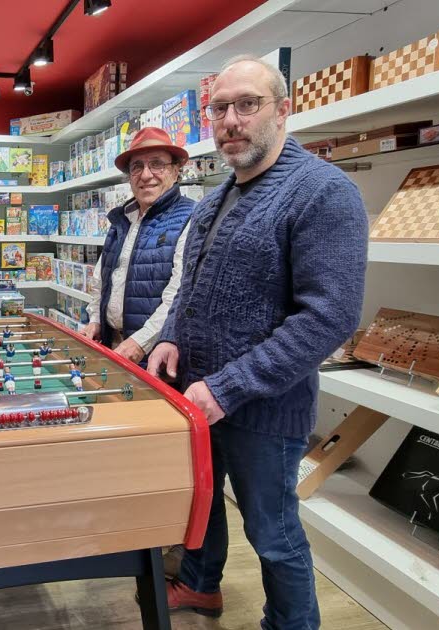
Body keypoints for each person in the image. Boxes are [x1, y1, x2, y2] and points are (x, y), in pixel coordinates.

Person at [147, 56, 367, 629]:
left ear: (283, 110)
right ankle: (201, 585)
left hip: (265, 411)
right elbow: (190, 286)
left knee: (273, 534)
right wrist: (171, 337)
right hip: (200, 397)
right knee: (202, 505)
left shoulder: (324, 193)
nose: (231, 120)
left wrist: (229, 387)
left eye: (248, 104)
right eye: (219, 108)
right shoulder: (216, 198)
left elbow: (330, 317)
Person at [81, 126, 195, 364]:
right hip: (113, 347)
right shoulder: (121, 220)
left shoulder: (191, 218)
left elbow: (180, 294)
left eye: (157, 164)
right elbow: (101, 280)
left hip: (155, 358)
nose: (146, 175)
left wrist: (141, 342)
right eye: (137, 167)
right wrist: (95, 320)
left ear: (176, 171)